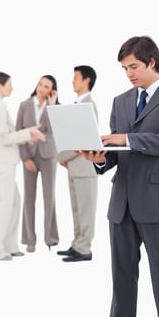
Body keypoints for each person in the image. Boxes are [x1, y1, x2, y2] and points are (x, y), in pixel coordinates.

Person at [80, 36, 159, 317]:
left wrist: (125, 138)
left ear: (152, 62)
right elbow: (114, 153)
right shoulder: (121, 100)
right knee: (122, 276)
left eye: (134, 67)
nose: (129, 73)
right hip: (122, 202)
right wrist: (99, 159)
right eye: (124, 68)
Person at [0, 72, 45, 261]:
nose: (12, 87)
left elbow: (7, 136)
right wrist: (28, 133)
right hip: (4, 161)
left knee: (15, 202)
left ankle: (9, 245)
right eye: (9, 84)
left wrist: (28, 135)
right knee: (5, 204)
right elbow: (3, 138)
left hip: (5, 160)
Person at [57, 65, 98, 262]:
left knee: (85, 210)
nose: (72, 81)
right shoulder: (76, 104)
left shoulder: (89, 105)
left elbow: (84, 141)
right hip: (74, 166)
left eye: (75, 77)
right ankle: (77, 244)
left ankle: (84, 249)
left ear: (86, 80)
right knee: (76, 209)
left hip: (84, 167)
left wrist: (61, 157)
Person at [16, 75, 59, 252]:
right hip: (30, 155)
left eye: (46, 86)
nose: (42, 88)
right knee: (29, 197)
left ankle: (50, 238)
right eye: (40, 84)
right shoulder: (24, 105)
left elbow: (55, 129)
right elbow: (18, 131)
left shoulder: (53, 107)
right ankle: (29, 239)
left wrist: (53, 104)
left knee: (49, 196)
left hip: (48, 155)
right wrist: (25, 158)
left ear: (52, 90)